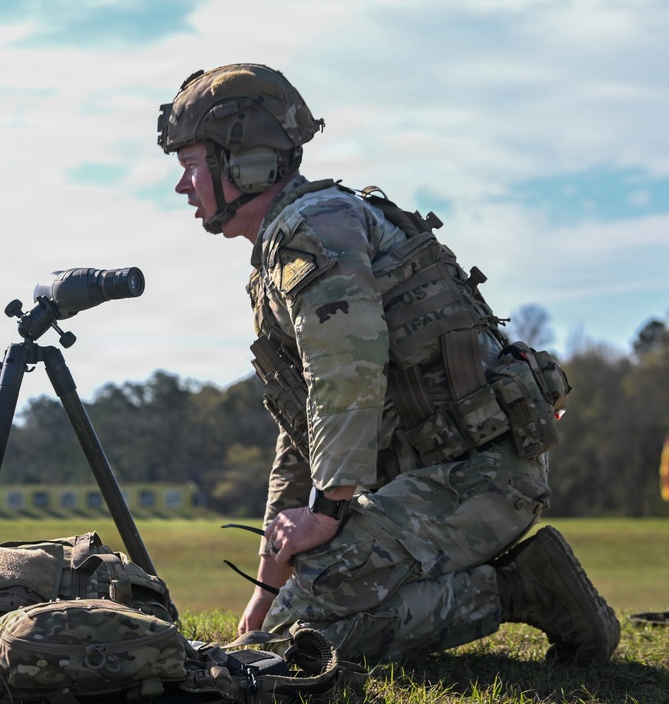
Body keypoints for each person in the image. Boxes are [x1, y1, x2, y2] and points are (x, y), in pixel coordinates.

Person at [156, 63, 619, 665]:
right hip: (427, 485)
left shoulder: (313, 228)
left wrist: (324, 515)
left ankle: (519, 589)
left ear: (246, 165)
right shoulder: (283, 246)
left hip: (482, 478)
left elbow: (347, 370)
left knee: (298, 643)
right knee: (283, 624)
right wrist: (272, 575)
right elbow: (304, 427)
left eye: (191, 165)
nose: (182, 186)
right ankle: (512, 583)